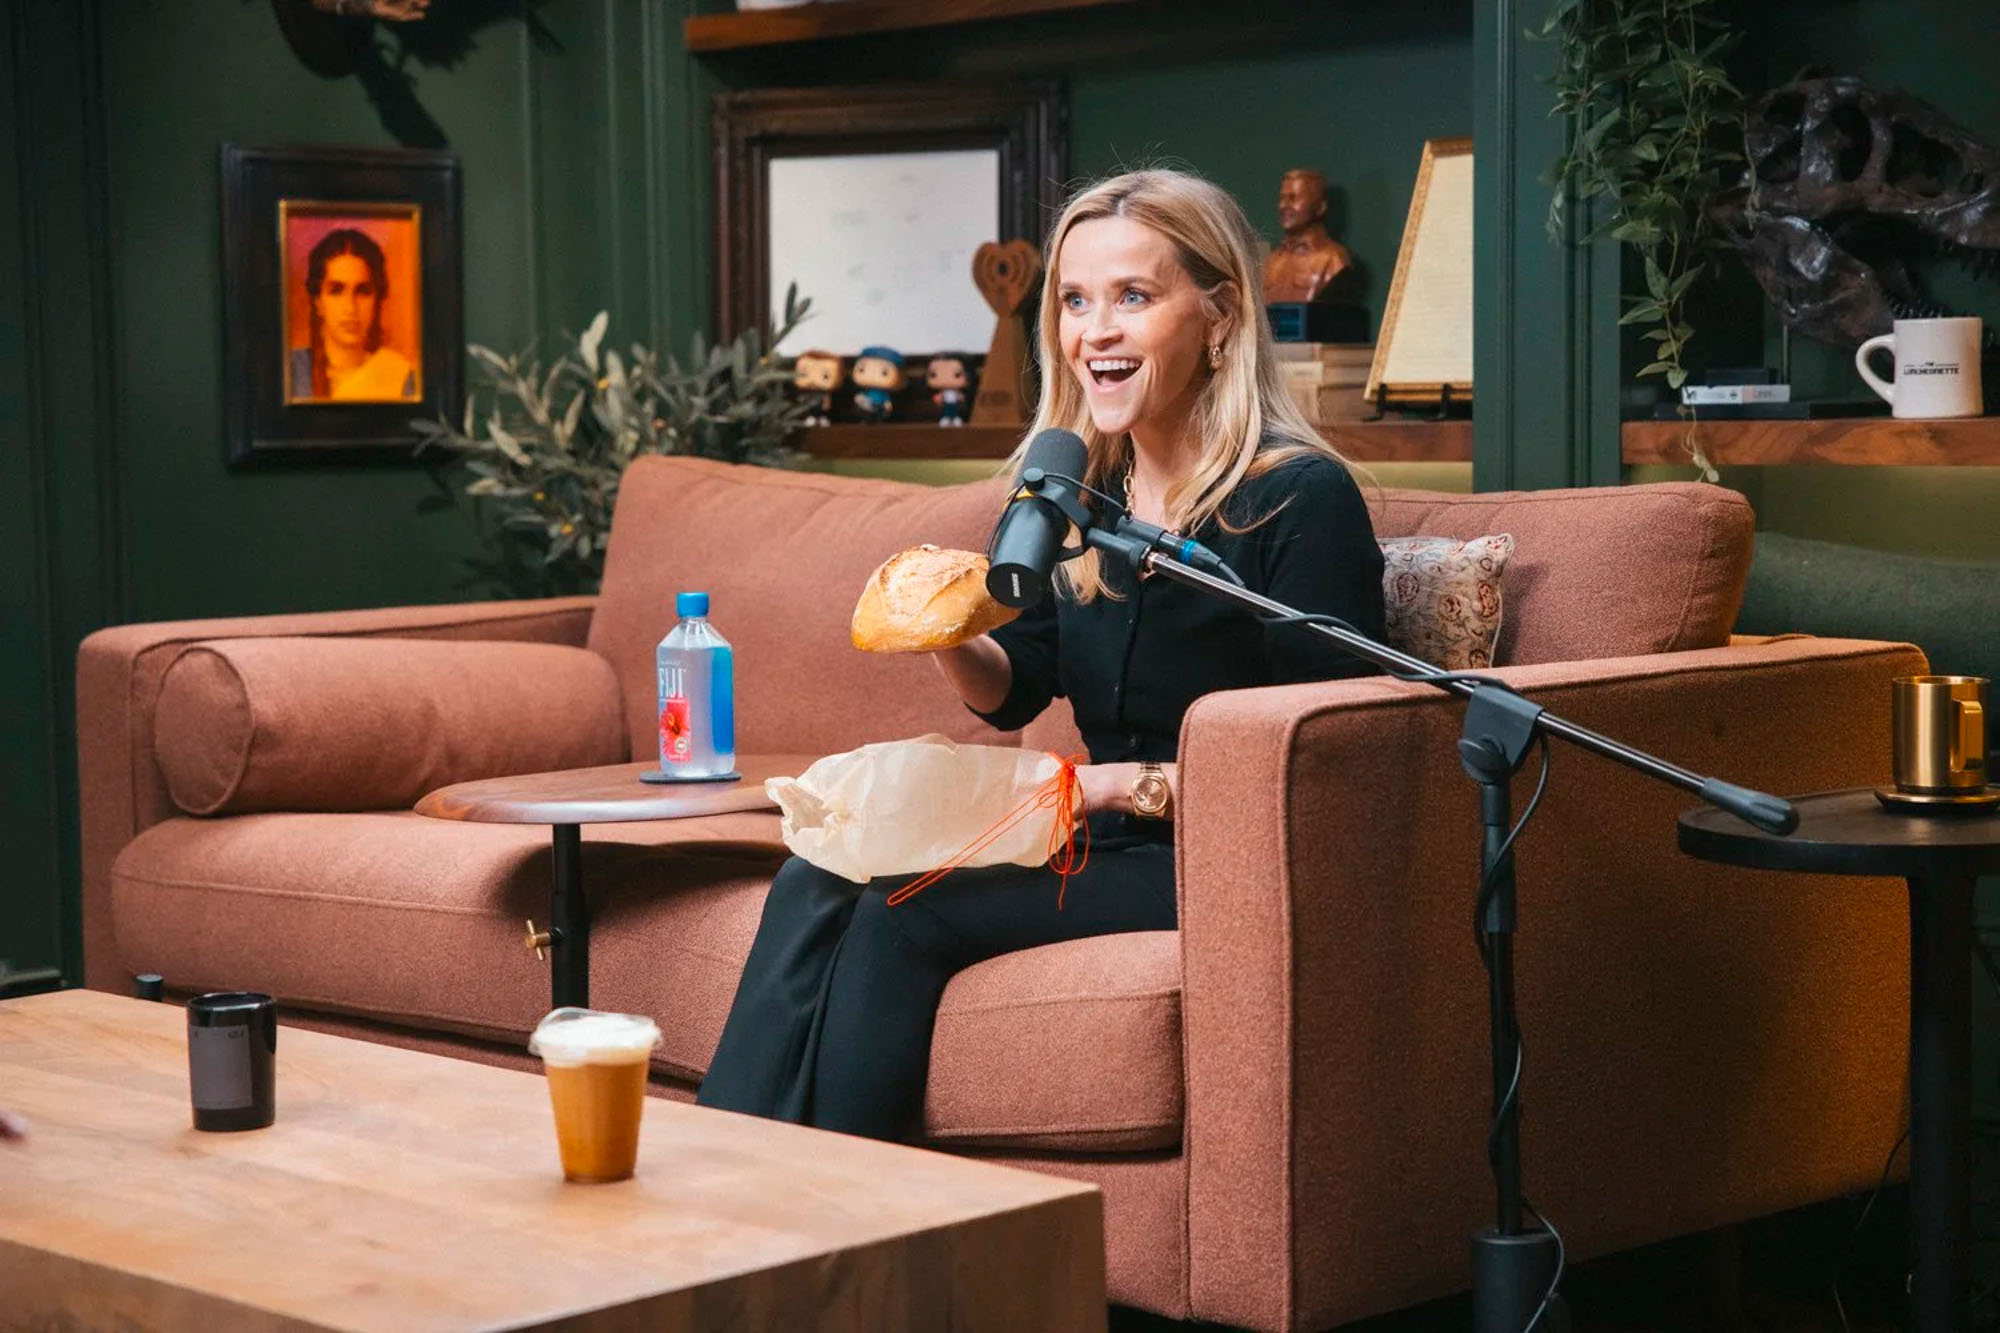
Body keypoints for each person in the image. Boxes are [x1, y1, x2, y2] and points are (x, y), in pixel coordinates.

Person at [697, 167, 1386, 1141]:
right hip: (1102, 831)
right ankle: (728, 1172)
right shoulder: (1078, 493)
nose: (1092, 330)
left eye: (1132, 297)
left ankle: (850, 1213)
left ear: (1220, 315)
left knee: (901, 907)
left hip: (1221, 856)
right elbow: (1016, 687)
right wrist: (948, 628)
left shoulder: (1293, 499)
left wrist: (1119, 789)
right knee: (821, 866)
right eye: (1073, 300)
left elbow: (1330, 753)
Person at [289, 227, 418, 402]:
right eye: (336, 291)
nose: (350, 308)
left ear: (377, 299)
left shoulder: (398, 377)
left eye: (362, 292)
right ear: (318, 302)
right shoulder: (291, 370)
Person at [1261, 168, 1355, 305]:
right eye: (1282, 198)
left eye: (1293, 199)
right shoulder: (1272, 261)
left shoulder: (1334, 259)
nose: (1283, 206)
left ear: (1320, 207)